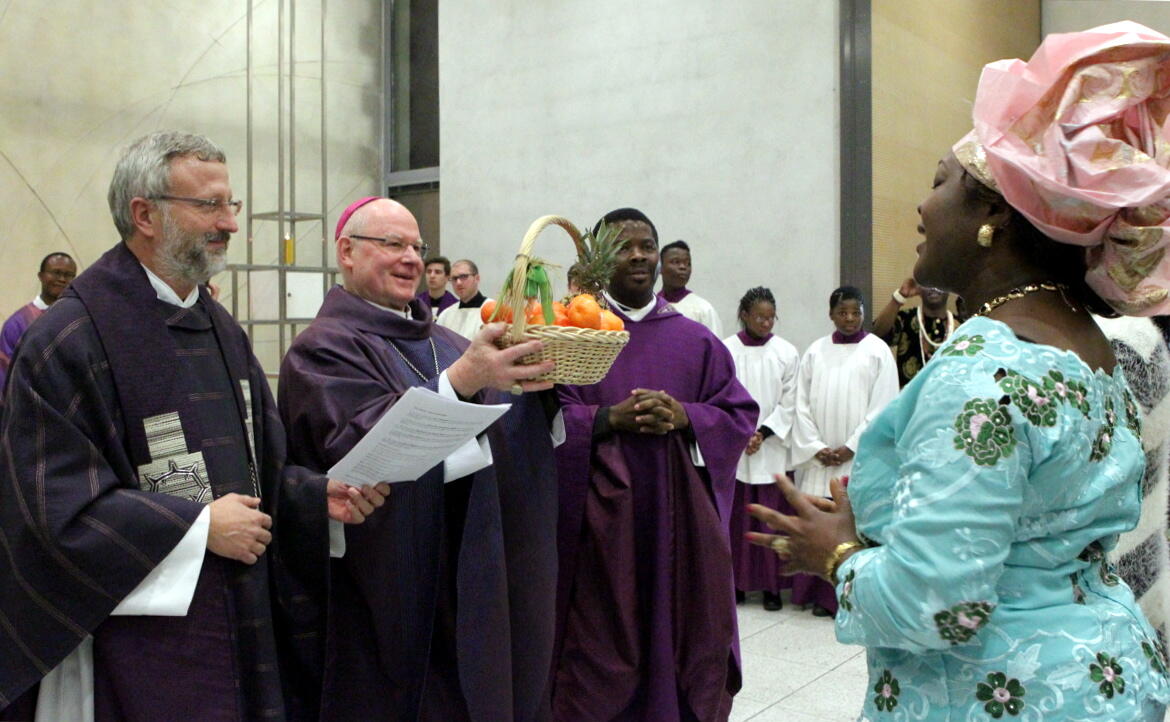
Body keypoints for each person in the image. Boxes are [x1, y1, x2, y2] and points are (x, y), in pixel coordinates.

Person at [749, 23, 1170, 719]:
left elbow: (935, 606)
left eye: (940, 182)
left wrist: (837, 556)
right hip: (1097, 674)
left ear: (996, 214)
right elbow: (1029, 528)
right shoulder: (1087, 346)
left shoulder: (983, 373)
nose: (922, 206)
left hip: (999, 690)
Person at [0, 131, 385, 722]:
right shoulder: (70, 339)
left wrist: (313, 497)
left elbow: (261, 465)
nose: (230, 223)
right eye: (208, 205)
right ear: (144, 214)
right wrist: (195, 527)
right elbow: (51, 509)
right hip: (138, 644)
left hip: (242, 610)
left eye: (229, 204)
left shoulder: (219, 328)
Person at [278, 196, 562, 721]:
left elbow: (503, 428)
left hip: (469, 562)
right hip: (389, 581)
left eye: (416, 246)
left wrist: (541, 386)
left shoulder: (451, 340)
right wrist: (463, 382)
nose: (411, 258)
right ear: (347, 251)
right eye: (393, 244)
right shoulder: (322, 347)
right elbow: (359, 446)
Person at [553, 207, 758, 721]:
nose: (640, 255)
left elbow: (737, 415)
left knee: (681, 631)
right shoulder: (574, 338)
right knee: (599, 638)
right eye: (624, 246)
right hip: (601, 531)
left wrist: (685, 415)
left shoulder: (696, 341)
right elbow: (542, 420)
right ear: (598, 260)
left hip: (678, 525)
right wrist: (605, 419)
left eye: (647, 245)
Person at [789, 285, 898, 616]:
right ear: (831, 314)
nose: (849, 318)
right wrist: (816, 446)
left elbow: (883, 406)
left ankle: (845, 597)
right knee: (819, 520)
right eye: (842, 312)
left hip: (856, 459)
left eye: (856, 312)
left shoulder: (877, 351)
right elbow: (800, 403)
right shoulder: (815, 351)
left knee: (852, 524)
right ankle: (817, 594)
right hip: (819, 458)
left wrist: (852, 447)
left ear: (864, 313)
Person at [722, 287, 799, 612]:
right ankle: (735, 585)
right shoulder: (726, 349)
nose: (766, 323)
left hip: (771, 449)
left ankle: (771, 586)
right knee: (737, 520)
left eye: (771, 317)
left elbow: (791, 401)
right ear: (744, 315)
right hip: (736, 450)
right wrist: (742, 433)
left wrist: (763, 433)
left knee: (771, 520)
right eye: (759, 317)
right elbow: (722, 395)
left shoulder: (786, 352)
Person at [0, 252, 76, 394]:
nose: (62, 279)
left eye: (68, 275)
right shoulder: (17, 324)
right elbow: (5, 374)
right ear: (41, 276)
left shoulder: (76, 320)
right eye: (56, 273)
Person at [871, 277, 956, 386]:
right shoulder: (905, 319)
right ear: (919, 286)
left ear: (949, 288)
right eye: (928, 283)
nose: (934, 288)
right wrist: (899, 297)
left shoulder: (961, 326)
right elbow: (876, 335)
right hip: (909, 401)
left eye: (939, 283)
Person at [657, 239, 722, 335]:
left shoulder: (703, 310)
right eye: (676, 262)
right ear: (660, 268)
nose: (683, 267)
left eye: (688, 263)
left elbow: (715, 347)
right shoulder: (650, 306)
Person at [437, 258, 491, 338]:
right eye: (454, 278)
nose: (458, 282)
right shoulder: (445, 315)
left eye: (463, 276)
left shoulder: (494, 310)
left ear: (477, 278)